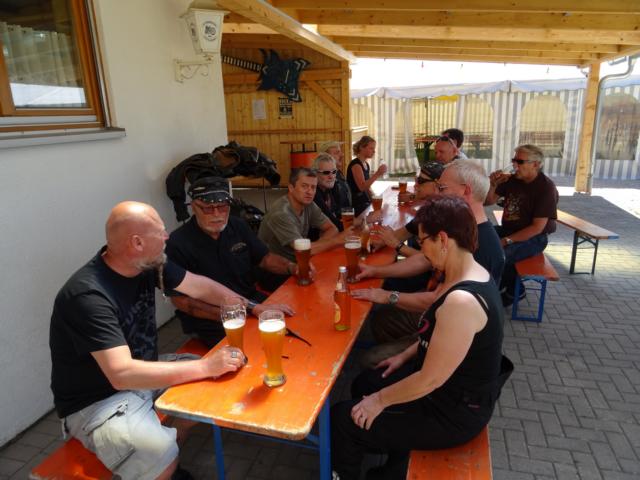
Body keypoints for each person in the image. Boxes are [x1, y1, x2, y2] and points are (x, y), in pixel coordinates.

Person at [49, 201, 249, 480]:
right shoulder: (87, 295)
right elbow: (121, 374)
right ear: (137, 243)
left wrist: (251, 306)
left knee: (219, 383)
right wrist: (205, 366)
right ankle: (161, 466)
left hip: (142, 372)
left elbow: (199, 286)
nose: (167, 236)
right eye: (161, 231)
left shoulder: (146, 264)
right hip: (97, 400)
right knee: (159, 455)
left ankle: (161, 458)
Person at [331, 195, 511, 480]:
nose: (420, 249)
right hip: (447, 392)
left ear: (443, 239)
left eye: (422, 240)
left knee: (341, 419)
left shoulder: (461, 302)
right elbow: (442, 339)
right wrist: (403, 355)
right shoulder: (466, 272)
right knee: (365, 382)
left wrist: (378, 401)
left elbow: (430, 380)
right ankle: (392, 458)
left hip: (451, 413)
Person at [353, 160, 505, 365]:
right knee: (381, 320)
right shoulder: (460, 227)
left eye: (442, 188)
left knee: (370, 359)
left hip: (450, 336)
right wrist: (375, 271)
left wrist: (388, 296)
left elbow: (437, 300)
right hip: (436, 313)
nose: (436, 194)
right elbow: (424, 260)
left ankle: (402, 363)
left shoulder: (482, 246)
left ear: (466, 191)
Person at [166, 176, 295, 348]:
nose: (217, 214)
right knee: (257, 347)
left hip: (250, 301)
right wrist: (234, 314)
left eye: (223, 207)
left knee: (291, 321)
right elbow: (181, 301)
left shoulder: (238, 226)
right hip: (212, 317)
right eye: (208, 208)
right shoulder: (177, 242)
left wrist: (293, 267)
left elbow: (265, 258)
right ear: (193, 207)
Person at [486, 144, 558, 306]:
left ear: (536, 164)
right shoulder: (512, 180)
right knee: (480, 238)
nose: (514, 164)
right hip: (509, 229)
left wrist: (505, 241)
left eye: (520, 161)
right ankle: (506, 285)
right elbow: (488, 201)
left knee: (500, 255)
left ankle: (511, 291)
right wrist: (493, 184)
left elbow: (537, 228)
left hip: (534, 237)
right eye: (514, 160)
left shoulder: (545, 187)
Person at [258, 167, 351, 263]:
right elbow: (303, 250)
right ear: (291, 188)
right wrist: (336, 241)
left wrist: (319, 245)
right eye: (304, 186)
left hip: (301, 261)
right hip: (279, 268)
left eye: (313, 187)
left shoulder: (309, 204)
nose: (310, 192)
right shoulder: (281, 213)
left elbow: (332, 229)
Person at [311, 153, 352, 232]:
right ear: (315, 174)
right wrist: (365, 219)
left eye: (334, 172)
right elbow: (335, 224)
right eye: (326, 172)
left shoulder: (332, 188)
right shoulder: (313, 194)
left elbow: (340, 215)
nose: (331, 176)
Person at [347, 136, 387, 216]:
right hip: (357, 205)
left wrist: (375, 199)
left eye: (374, 148)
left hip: (364, 201)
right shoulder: (356, 165)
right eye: (371, 148)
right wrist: (378, 173)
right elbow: (362, 187)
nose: (374, 151)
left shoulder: (366, 164)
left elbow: (367, 187)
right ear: (361, 147)